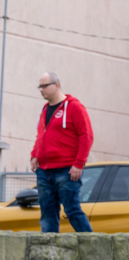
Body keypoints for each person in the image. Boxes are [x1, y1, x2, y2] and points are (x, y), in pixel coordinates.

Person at [31, 73, 94, 233]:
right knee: (47, 215)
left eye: (45, 86)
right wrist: (34, 154)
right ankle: (50, 254)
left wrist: (79, 164)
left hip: (67, 171)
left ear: (57, 85)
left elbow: (86, 136)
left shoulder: (74, 107)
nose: (41, 90)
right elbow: (41, 135)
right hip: (44, 172)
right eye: (40, 86)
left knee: (72, 211)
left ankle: (93, 248)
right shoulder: (45, 109)